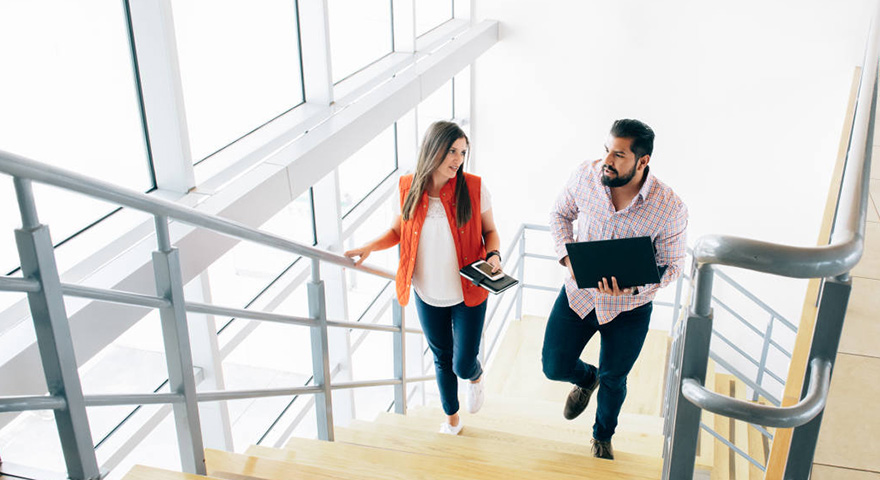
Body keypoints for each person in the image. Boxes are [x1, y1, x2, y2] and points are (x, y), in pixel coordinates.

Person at [345, 121, 502, 435]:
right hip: (426, 292)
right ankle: (452, 420)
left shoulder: (473, 187)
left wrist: (494, 256)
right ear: (433, 149)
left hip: (468, 290)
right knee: (442, 358)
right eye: (451, 151)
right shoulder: (407, 187)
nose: (457, 159)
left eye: (462, 152)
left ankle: (475, 376)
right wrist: (370, 247)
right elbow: (396, 231)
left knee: (462, 362)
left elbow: (490, 232)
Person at [542, 119, 687, 459]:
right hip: (578, 296)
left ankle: (602, 435)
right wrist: (568, 258)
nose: (607, 159)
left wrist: (634, 289)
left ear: (642, 161)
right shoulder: (585, 175)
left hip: (629, 311)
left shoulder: (670, 207)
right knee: (553, 366)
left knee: (614, 379)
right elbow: (559, 214)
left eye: (619, 154)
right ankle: (584, 378)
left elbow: (672, 265)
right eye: (607, 150)